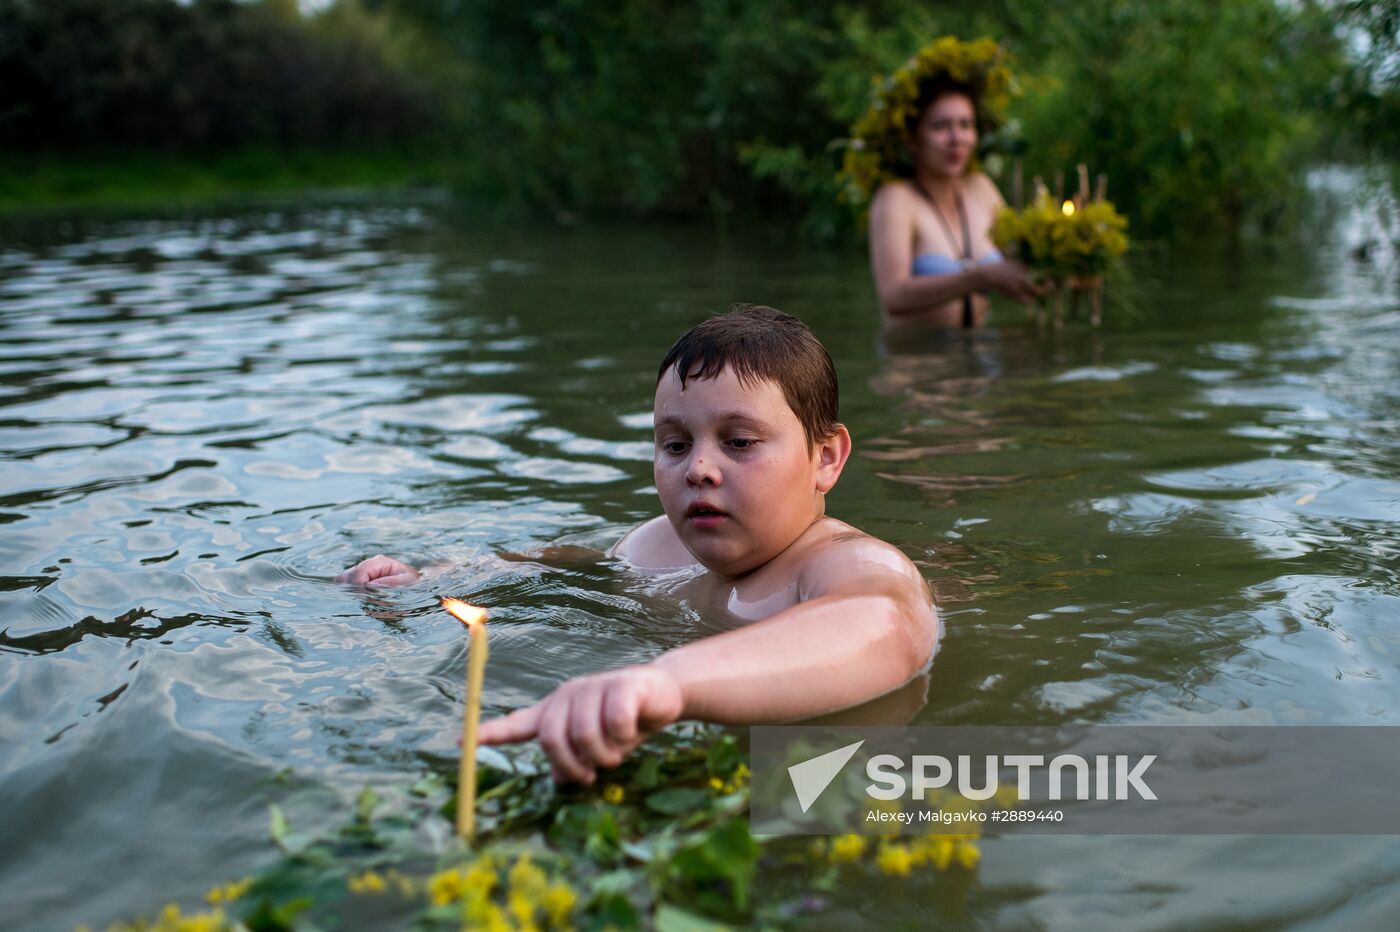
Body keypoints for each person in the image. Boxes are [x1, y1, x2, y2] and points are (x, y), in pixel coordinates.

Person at [337, 306, 939, 783]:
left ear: (825, 458)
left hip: (823, 776)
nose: (699, 468)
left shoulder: (843, 562)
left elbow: (882, 625)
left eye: (739, 442)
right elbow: (566, 558)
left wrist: (667, 682)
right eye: (675, 445)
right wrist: (437, 574)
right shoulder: (661, 546)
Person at [867, 78, 1039, 328]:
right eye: (941, 126)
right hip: (914, 360)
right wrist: (984, 276)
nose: (957, 138)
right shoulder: (895, 198)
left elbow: (1016, 263)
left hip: (981, 352)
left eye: (966, 125)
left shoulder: (981, 187)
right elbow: (893, 296)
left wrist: (1061, 263)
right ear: (912, 139)